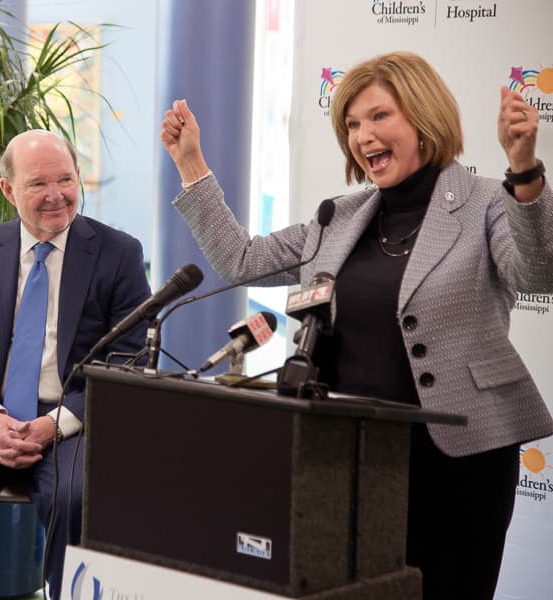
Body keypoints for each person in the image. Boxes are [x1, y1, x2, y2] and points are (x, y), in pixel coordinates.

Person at [160, 51, 553, 600]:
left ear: (424, 117)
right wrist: (190, 163)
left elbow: (538, 273)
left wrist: (526, 171)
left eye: (378, 117)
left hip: (458, 460)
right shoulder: (337, 219)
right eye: (351, 124)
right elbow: (242, 260)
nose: (362, 136)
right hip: (351, 457)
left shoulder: (488, 201)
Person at [0, 129, 151, 600]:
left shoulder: (119, 254)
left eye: (66, 179)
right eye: (38, 183)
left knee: (73, 500)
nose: (56, 195)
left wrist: (53, 424)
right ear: (8, 189)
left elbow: (128, 361)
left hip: (72, 421)